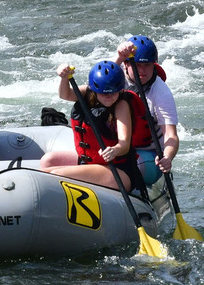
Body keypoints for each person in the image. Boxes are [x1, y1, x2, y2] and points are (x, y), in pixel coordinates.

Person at [40, 60, 144, 192]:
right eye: (104, 93)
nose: (109, 97)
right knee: (47, 161)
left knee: (54, 175)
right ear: (95, 90)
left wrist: (114, 150)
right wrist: (64, 78)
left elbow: (124, 145)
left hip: (118, 171)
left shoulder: (121, 105)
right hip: (91, 162)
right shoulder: (88, 92)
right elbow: (65, 95)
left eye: (113, 93)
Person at [115, 35, 179, 175]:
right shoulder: (116, 74)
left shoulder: (161, 92)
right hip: (117, 146)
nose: (142, 71)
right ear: (126, 64)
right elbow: (93, 93)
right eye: (137, 65)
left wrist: (167, 157)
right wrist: (119, 57)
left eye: (147, 65)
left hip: (148, 153)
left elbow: (171, 135)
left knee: (129, 165)